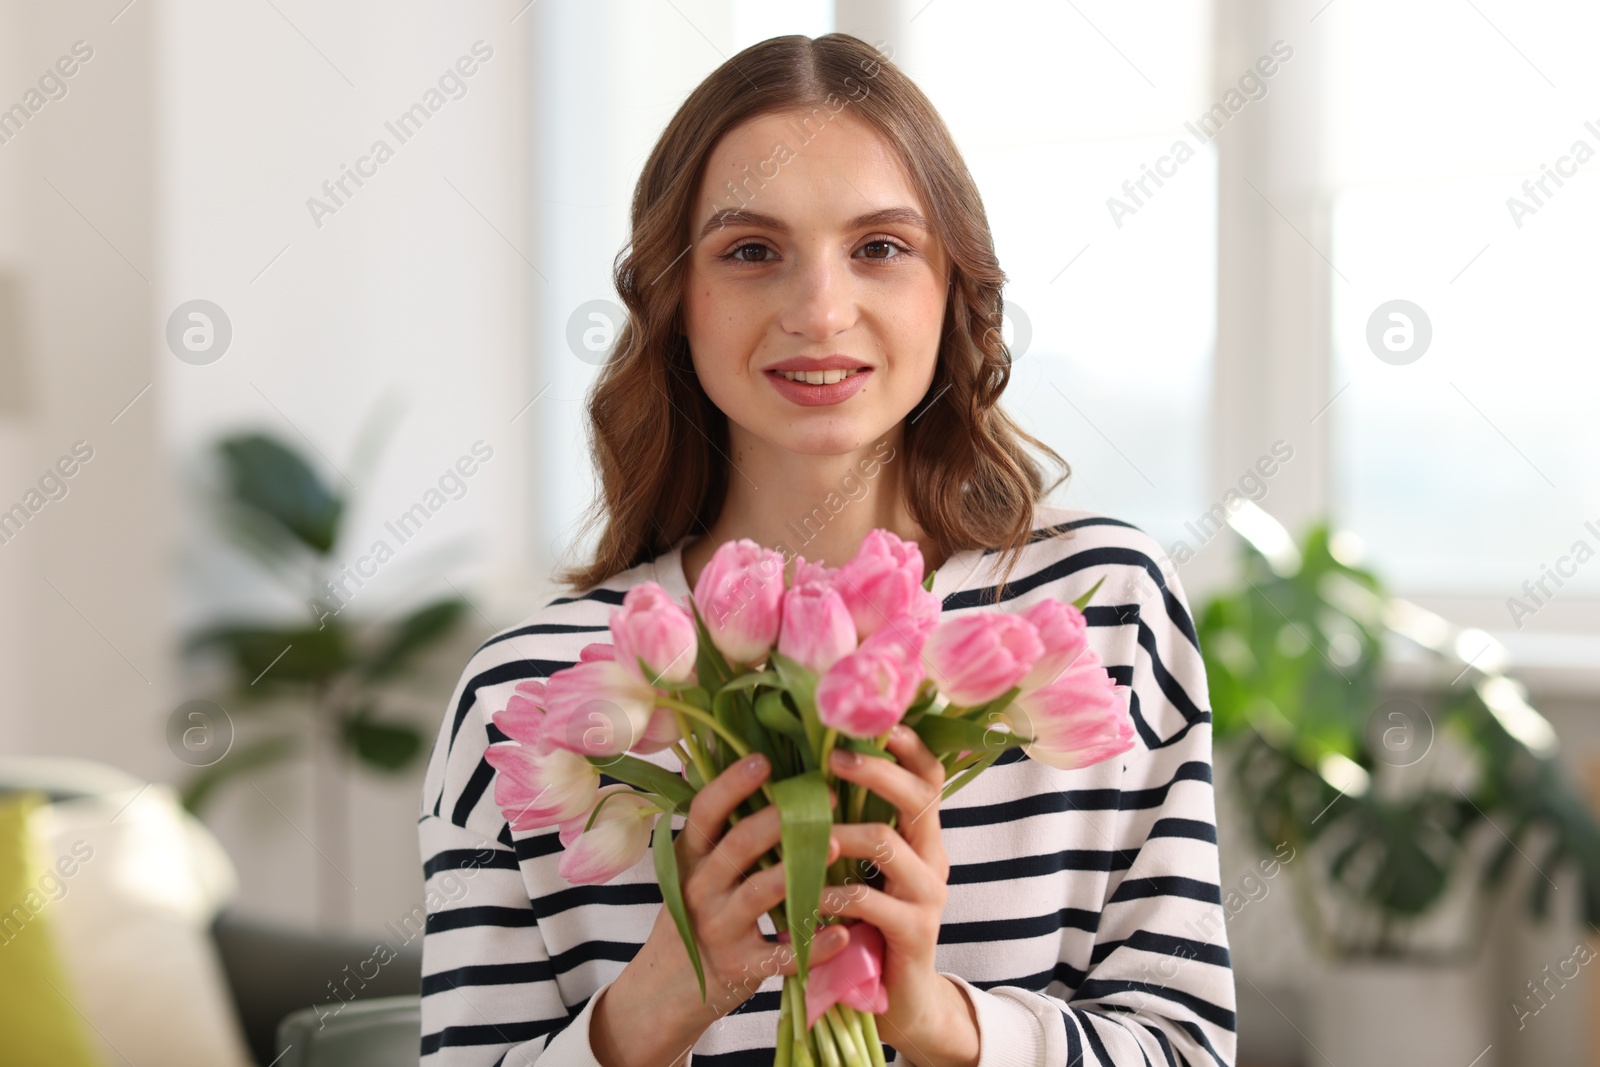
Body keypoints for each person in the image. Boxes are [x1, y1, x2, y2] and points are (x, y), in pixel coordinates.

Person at [419, 33, 1235, 1067]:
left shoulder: (1098, 613)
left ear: (953, 288)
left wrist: (940, 1020)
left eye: (880, 248)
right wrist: (645, 1016)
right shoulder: (526, 695)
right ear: (675, 300)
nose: (818, 310)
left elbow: (1187, 1049)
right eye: (751, 250)